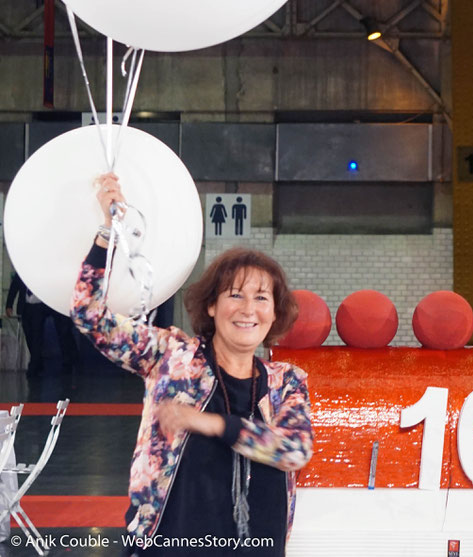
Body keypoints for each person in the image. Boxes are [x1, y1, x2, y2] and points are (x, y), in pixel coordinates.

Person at [71, 173, 313, 556]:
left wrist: (211, 424)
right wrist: (107, 232)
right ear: (212, 306)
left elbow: (294, 451)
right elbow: (90, 317)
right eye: (235, 295)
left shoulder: (287, 382)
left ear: (274, 313)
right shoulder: (171, 355)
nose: (248, 309)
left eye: (262, 298)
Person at [6, 272, 77, 375]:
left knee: (36, 336)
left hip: (39, 307)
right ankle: (38, 361)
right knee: (28, 334)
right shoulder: (22, 270)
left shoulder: (44, 272)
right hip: (25, 307)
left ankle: (34, 365)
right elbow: (14, 286)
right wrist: (9, 305)